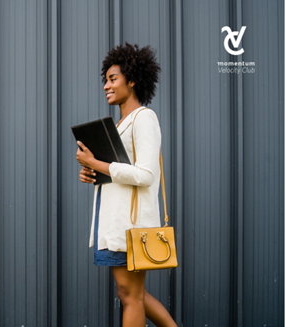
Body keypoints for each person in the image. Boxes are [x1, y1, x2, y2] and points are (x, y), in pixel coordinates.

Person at [75, 43, 177, 327]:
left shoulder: (144, 118)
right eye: (105, 80)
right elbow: (119, 173)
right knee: (133, 293)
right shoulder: (119, 126)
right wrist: (91, 173)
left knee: (130, 295)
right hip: (116, 224)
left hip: (131, 226)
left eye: (113, 78)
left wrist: (97, 164)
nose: (106, 85)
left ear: (132, 81)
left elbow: (145, 175)